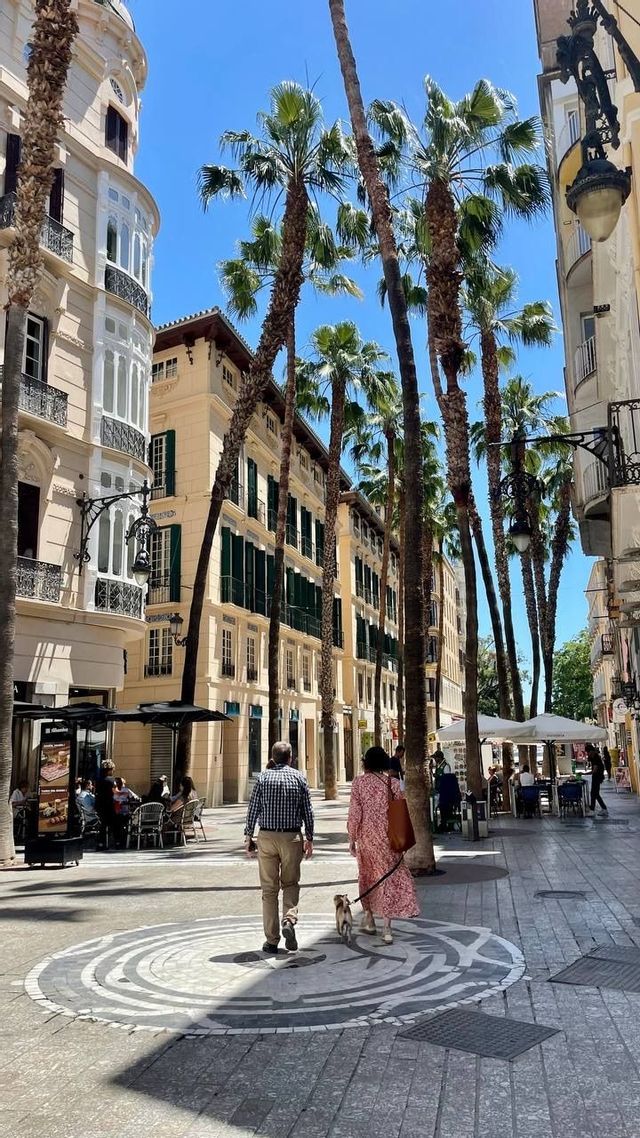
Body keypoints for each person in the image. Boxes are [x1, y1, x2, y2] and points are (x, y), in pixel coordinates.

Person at [244, 740, 314, 954]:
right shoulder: (299, 777)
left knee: (269, 889)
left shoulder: (263, 778)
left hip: (266, 837)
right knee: (291, 883)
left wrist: (248, 836)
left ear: (272, 758)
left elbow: (253, 808)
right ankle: (289, 921)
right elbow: (307, 810)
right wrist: (309, 837)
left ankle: (272, 940)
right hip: (292, 837)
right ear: (290, 757)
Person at [347, 746, 419, 945]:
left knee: (367, 876)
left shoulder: (358, 783)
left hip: (367, 839)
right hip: (390, 839)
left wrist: (352, 838)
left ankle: (369, 918)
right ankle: (387, 928)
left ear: (366, 763)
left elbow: (355, 813)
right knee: (387, 879)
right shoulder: (393, 783)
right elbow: (401, 812)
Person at [95, 759, 117, 849]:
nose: (113, 771)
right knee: (116, 823)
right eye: (112, 769)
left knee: (103, 825)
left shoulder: (98, 780)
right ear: (109, 769)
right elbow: (115, 793)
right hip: (110, 805)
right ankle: (117, 842)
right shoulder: (111, 780)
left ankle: (101, 843)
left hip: (100, 805)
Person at [586, 744, 607, 813]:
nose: (587, 754)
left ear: (591, 751)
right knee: (595, 793)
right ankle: (596, 808)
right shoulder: (593, 757)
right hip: (596, 776)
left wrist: (584, 774)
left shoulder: (595, 758)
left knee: (594, 793)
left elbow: (594, 770)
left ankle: (595, 809)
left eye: (588, 752)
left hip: (597, 777)